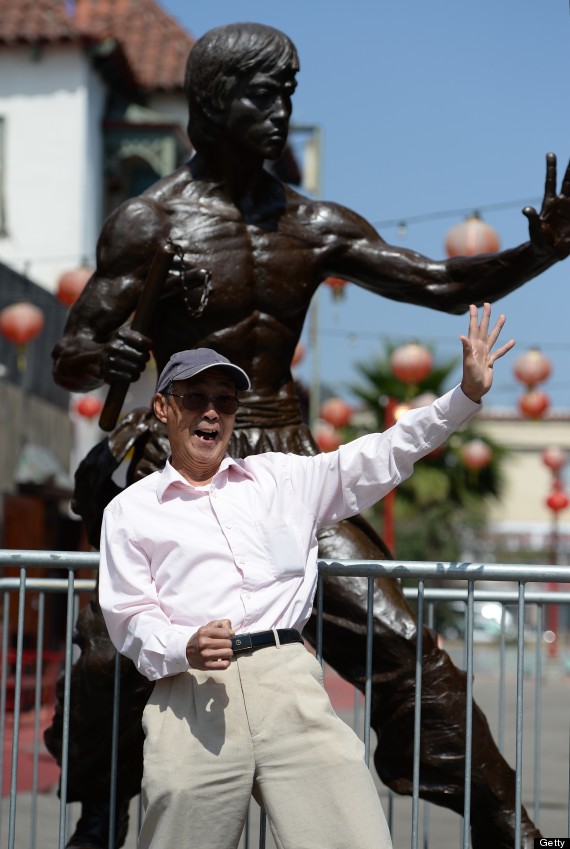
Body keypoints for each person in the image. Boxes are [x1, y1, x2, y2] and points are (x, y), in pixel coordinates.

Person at [47, 21, 570, 849]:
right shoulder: (149, 224)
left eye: (289, 92)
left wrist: (538, 254)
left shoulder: (315, 223)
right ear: (214, 103)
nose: (282, 109)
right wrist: (102, 349)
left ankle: (507, 823)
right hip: (181, 459)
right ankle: (103, 813)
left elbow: (437, 282)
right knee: (111, 655)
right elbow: (71, 357)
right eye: (264, 93)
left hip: (287, 468)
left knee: (402, 643)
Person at [97, 304, 513, 849]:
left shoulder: (283, 478)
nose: (211, 413)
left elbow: (382, 453)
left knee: (357, 839)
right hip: (191, 694)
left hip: (289, 682)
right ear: (162, 407)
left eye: (225, 401)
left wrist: (464, 397)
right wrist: (184, 645)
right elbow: (130, 618)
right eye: (195, 398)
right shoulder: (129, 511)